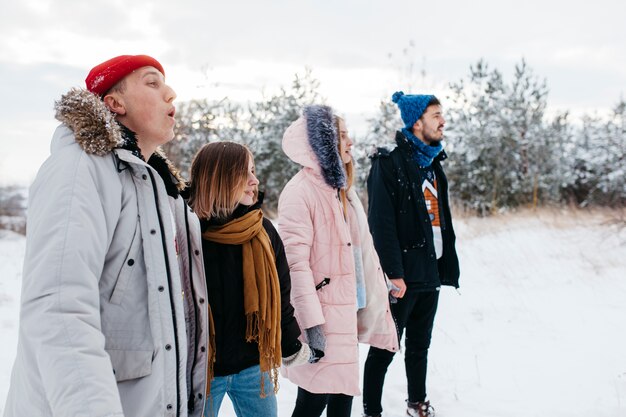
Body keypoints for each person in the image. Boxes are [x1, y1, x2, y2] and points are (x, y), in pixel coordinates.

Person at [3, 55, 209, 417]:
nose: (171, 94)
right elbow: (58, 309)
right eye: (152, 82)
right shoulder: (80, 169)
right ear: (115, 103)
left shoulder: (161, 193)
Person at [278, 105, 398, 417]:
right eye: (342, 135)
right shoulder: (299, 192)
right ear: (323, 142)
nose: (350, 142)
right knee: (314, 399)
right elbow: (296, 265)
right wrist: (312, 325)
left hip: (347, 309)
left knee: (342, 396)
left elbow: (358, 250)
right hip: (323, 316)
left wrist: (378, 287)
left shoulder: (341, 189)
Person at [187, 141, 312, 417]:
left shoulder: (263, 230)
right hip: (203, 370)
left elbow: (280, 293)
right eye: (245, 173)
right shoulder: (186, 231)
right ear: (220, 177)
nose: (254, 181)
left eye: (253, 171)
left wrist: (290, 343)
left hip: (253, 366)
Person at [362, 91, 461, 417]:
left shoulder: (433, 163)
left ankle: (417, 403)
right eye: (436, 115)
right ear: (416, 122)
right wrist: (393, 273)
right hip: (402, 275)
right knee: (385, 347)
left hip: (429, 271)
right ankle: (371, 411)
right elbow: (381, 222)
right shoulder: (388, 162)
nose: (442, 121)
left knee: (420, 346)